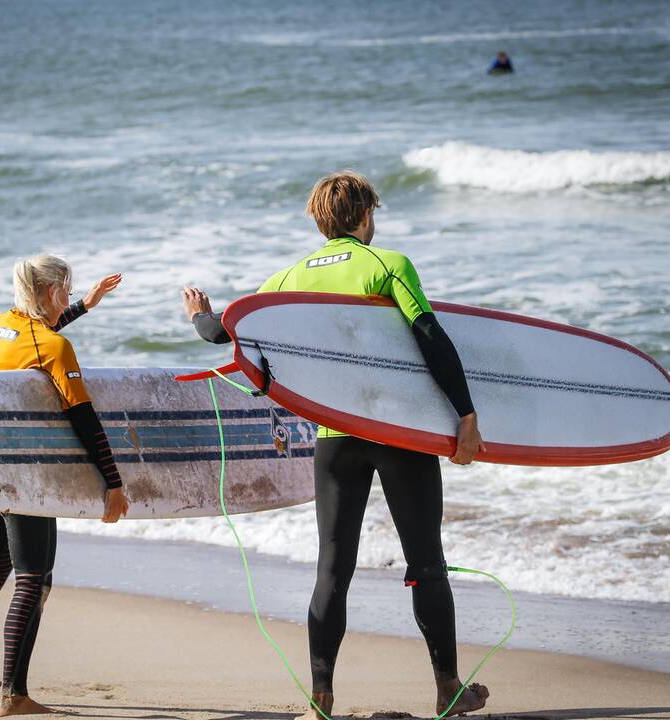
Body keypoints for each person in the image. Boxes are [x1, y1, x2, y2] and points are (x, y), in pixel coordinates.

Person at [181, 171, 490, 718]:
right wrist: (466, 415)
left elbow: (226, 335)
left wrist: (200, 314)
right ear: (366, 215)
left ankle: (320, 698)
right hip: (397, 435)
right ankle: (447, 688)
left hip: (335, 441)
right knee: (426, 563)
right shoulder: (387, 264)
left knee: (332, 569)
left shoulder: (289, 277)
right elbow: (429, 338)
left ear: (321, 221)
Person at [0, 257, 127, 716]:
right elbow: (84, 420)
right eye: (66, 292)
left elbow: (35, 340)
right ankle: (15, 695)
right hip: (28, 478)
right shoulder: (57, 347)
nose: (67, 299)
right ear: (49, 293)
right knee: (34, 578)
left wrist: (88, 304)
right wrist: (113, 483)